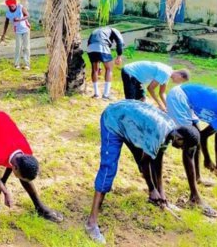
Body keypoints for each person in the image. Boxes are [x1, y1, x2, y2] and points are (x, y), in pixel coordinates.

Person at [85, 100, 201, 244]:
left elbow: (158, 160)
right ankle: (91, 223)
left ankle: (156, 197)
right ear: (179, 138)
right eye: (183, 146)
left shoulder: (171, 130)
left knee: (150, 161)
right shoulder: (159, 132)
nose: (182, 150)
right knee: (108, 169)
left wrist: (161, 192)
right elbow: (145, 162)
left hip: (128, 121)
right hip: (113, 119)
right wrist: (152, 189)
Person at [0, 111, 64, 247]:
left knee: (24, 174)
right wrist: (2, 187)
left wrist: (4, 181)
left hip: (2, 123)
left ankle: (40, 207)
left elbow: (12, 164)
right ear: (15, 167)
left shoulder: (26, 153)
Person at [121, 61, 190, 111]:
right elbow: (150, 88)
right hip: (129, 72)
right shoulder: (165, 73)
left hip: (138, 78)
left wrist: (168, 108)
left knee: (142, 97)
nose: (179, 83)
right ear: (181, 76)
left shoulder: (168, 74)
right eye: (182, 81)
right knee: (131, 101)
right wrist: (160, 104)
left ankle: (136, 114)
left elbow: (162, 93)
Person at [87, 26, 124, 100]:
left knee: (95, 70)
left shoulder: (98, 30)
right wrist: (119, 56)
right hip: (102, 45)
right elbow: (120, 42)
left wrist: (99, 65)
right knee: (109, 69)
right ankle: (106, 94)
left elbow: (96, 45)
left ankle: (96, 94)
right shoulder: (115, 30)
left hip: (90, 47)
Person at [0, 0, 31, 70]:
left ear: (15, 4)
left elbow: (27, 15)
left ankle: (27, 64)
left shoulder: (20, 7)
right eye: (10, 6)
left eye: (13, 6)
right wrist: (3, 34)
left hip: (26, 29)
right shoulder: (8, 13)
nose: (12, 7)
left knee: (26, 47)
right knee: (18, 47)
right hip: (17, 31)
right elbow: (6, 23)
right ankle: (17, 64)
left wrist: (20, 19)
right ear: (8, 6)